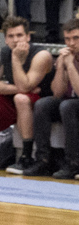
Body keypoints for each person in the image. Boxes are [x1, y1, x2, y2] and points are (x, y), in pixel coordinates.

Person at [0, 16, 54, 173]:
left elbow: (25, 87)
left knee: (21, 98)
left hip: (42, 105)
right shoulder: (3, 52)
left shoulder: (41, 55)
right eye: (11, 36)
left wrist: (16, 59)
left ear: (28, 37)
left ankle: (26, 156)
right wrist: (17, 89)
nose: (15, 40)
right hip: (20, 98)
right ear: (5, 39)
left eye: (19, 35)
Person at [35, 19, 79, 179]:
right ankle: (43, 159)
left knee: (67, 106)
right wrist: (61, 66)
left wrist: (71, 66)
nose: (71, 43)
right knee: (43, 104)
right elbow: (57, 93)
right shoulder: (67, 57)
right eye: (67, 39)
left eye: (76, 38)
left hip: (72, 105)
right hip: (69, 103)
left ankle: (73, 163)